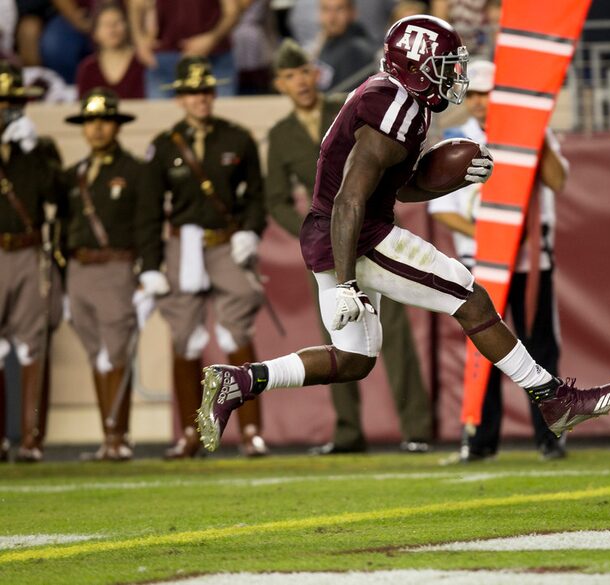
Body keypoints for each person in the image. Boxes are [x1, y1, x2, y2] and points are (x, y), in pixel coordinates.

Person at [195, 15, 610, 454]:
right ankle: (553, 398)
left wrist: (450, 181)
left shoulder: (396, 99)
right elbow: (350, 198)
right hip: (359, 234)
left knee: (354, 359)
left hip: (338, 233)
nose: (452, 76)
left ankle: (242, 379)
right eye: (444, 66)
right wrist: (346, 283)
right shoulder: (394, 106)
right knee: (469, 296)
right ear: (416, 68)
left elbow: (394, 184)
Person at [266, 39, 433, 454]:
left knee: (392, 333)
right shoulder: (280, 134)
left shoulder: (347, 105)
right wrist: (310, 232)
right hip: (327, 243)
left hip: (370, 231)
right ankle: (347, 432)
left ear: (315, 73)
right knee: (338, 338)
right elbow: (274, 199)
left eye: (305, 71)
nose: (300, 81)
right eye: (290, 76)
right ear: (279, 85)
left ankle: (417, 429)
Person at [428, 60, 568, 462]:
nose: (478, 103)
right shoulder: (455, 138)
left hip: (530, 262)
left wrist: (535, 137)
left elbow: (558, 181)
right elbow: (443, 209)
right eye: (472, 94)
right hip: (481, 261)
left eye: (486, 94)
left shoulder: (532, 132)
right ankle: (479, 438)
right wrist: (494, 237)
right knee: (483, 349)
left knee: (540, 348)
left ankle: (550, 436)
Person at [142, 56, 268, 458]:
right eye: (192, 92)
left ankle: (251, 432)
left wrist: (250, 230)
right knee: (184, 336)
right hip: (183, 245)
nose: (201, 99)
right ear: (179, 98)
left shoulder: (237, 138)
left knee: (238, 331)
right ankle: (189, 433)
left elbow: (256, 196)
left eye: (206, 90)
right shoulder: (163, 146)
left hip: (225, 242)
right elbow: (148, 211)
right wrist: (149, 265)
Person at [62, 88, 154, 460]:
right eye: (89, 122)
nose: (96, 129)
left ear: (116, 125)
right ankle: (108, 436)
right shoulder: (73, 175)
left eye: (103, 121)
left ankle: (119, 437)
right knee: (96, 355)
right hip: (79, 269)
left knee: (116, 353)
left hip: (116, 265)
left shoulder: (135, 171)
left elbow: (146, 224)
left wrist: (147, 272)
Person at [0, 60, 64, 462]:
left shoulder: (39, 148)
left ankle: (31, 440)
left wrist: (33, 152)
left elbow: (56, 196)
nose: (8, 108)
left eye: (14, 101)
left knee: (32, 346)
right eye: (3, 101)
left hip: (27, 249)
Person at [128, 0, 240, 99]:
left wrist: (212, 38)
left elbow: (232, 11)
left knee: (221, 116)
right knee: (161, 118)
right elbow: (136, 4)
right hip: (163, 59)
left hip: (215, 58)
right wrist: (139, 42)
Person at [76, 2, 145, 99]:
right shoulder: (87, 68)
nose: (112, 29)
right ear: (95, 32)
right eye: (106, 24)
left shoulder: (142, 62)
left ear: (127, 26)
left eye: (117, 22)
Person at [314, 0, 376, 91]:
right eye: (326, 9)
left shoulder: (356, 50)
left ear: (353, 12)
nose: (331, 18)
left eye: (339, 9)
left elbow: (346, 100)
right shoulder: (330, 39)